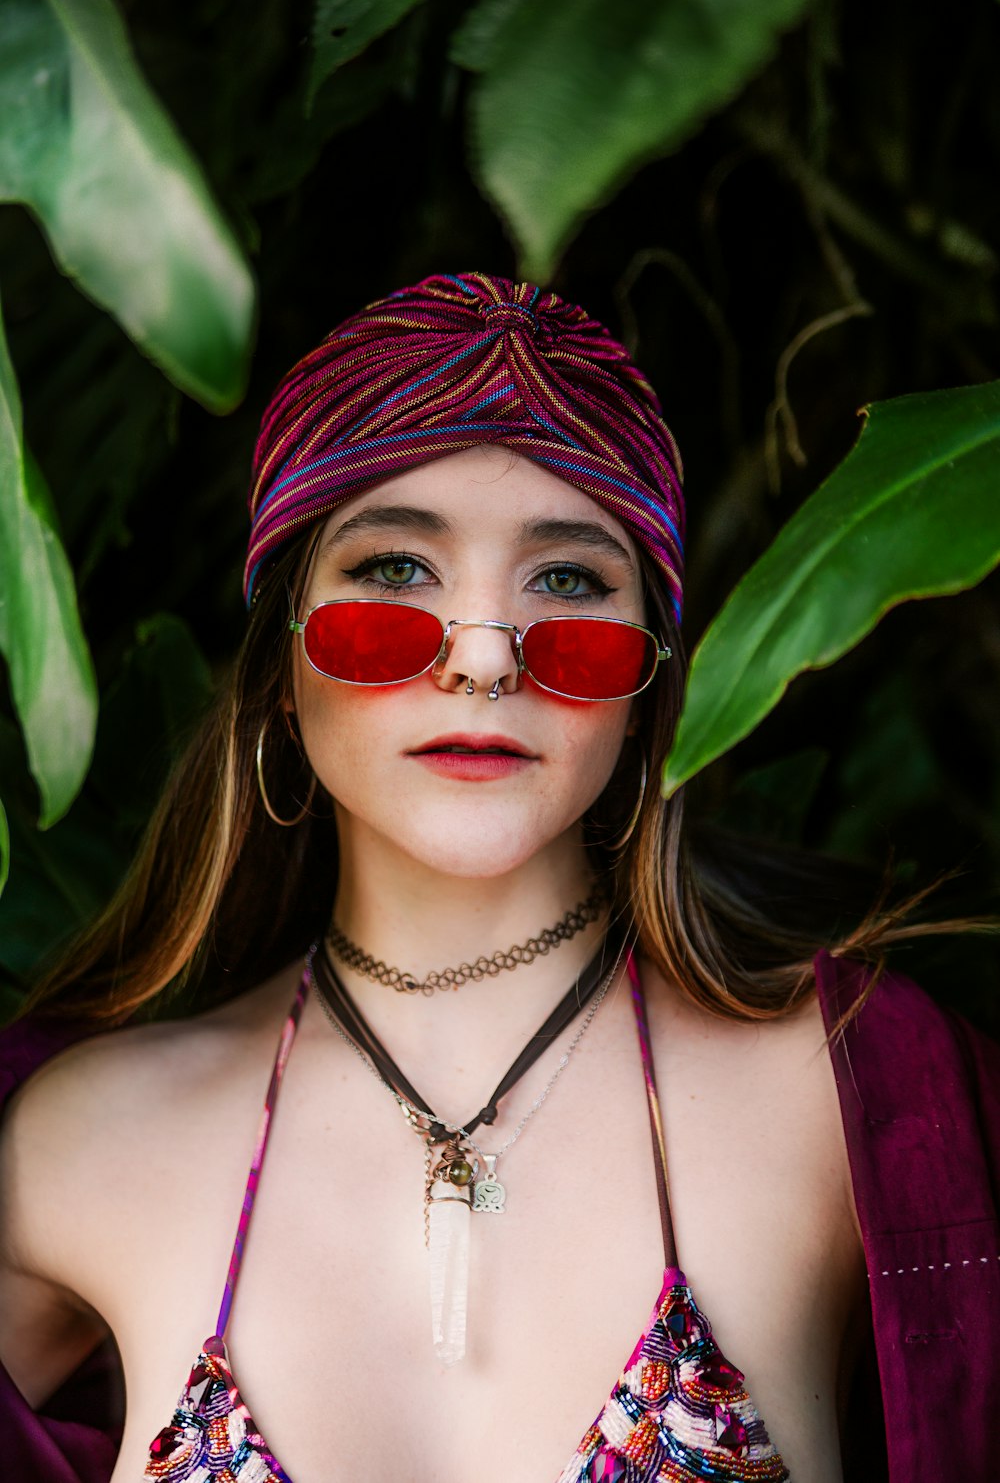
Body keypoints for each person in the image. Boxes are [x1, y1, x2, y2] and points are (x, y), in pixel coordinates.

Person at [0, 272, 997, 1483]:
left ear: (648, 689)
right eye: (393, 571)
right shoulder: (81, 1146)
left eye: (569, 582)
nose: (483, 658)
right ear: (277, 667)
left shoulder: (854, 1102)